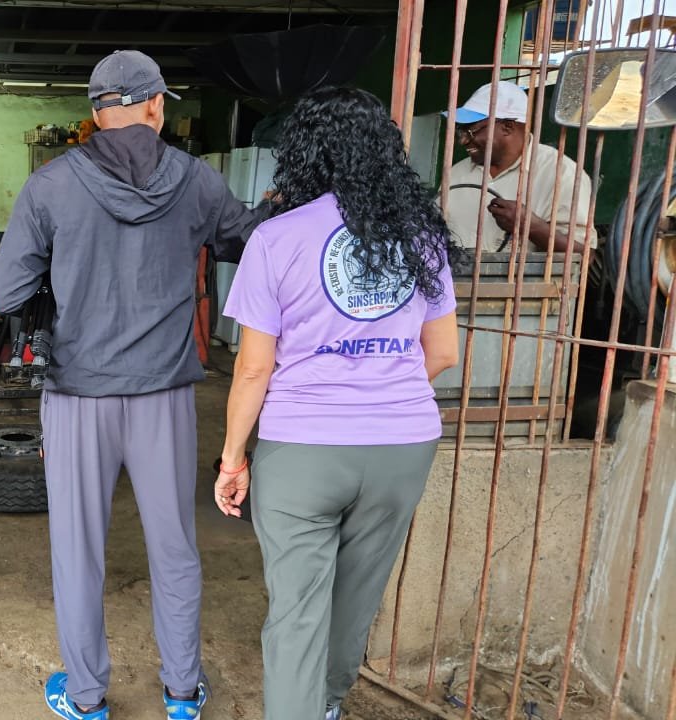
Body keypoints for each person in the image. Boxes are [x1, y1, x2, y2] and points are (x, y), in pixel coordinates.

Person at [0, 49, 270, 720]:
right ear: (155, 106)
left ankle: (86, 698)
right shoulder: (196, 181)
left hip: (77, 396)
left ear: (94, 112)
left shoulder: (51, 185)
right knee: (174, 547)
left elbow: (4, 293)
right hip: (164, 395)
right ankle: (182, 693)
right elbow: (252, 242)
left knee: (77, 551)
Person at [215, 87, 461, 720]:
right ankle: (326, 704)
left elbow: (253, 368)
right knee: (355, 597)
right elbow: (442, 352)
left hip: (303, 447)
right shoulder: (421, 237)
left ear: (304, 154)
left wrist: (233, 458)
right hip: (403, 444)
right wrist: (380, 387)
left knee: (297, 610)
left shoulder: (277, 237)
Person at [444, 81, 595, 254]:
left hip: (525, 273)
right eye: (461, 132)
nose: (463, 141)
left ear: (507, 127)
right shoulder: (455, 174)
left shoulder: (562, 174)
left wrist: (531, 227)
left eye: (472, 132)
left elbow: (585, 256)